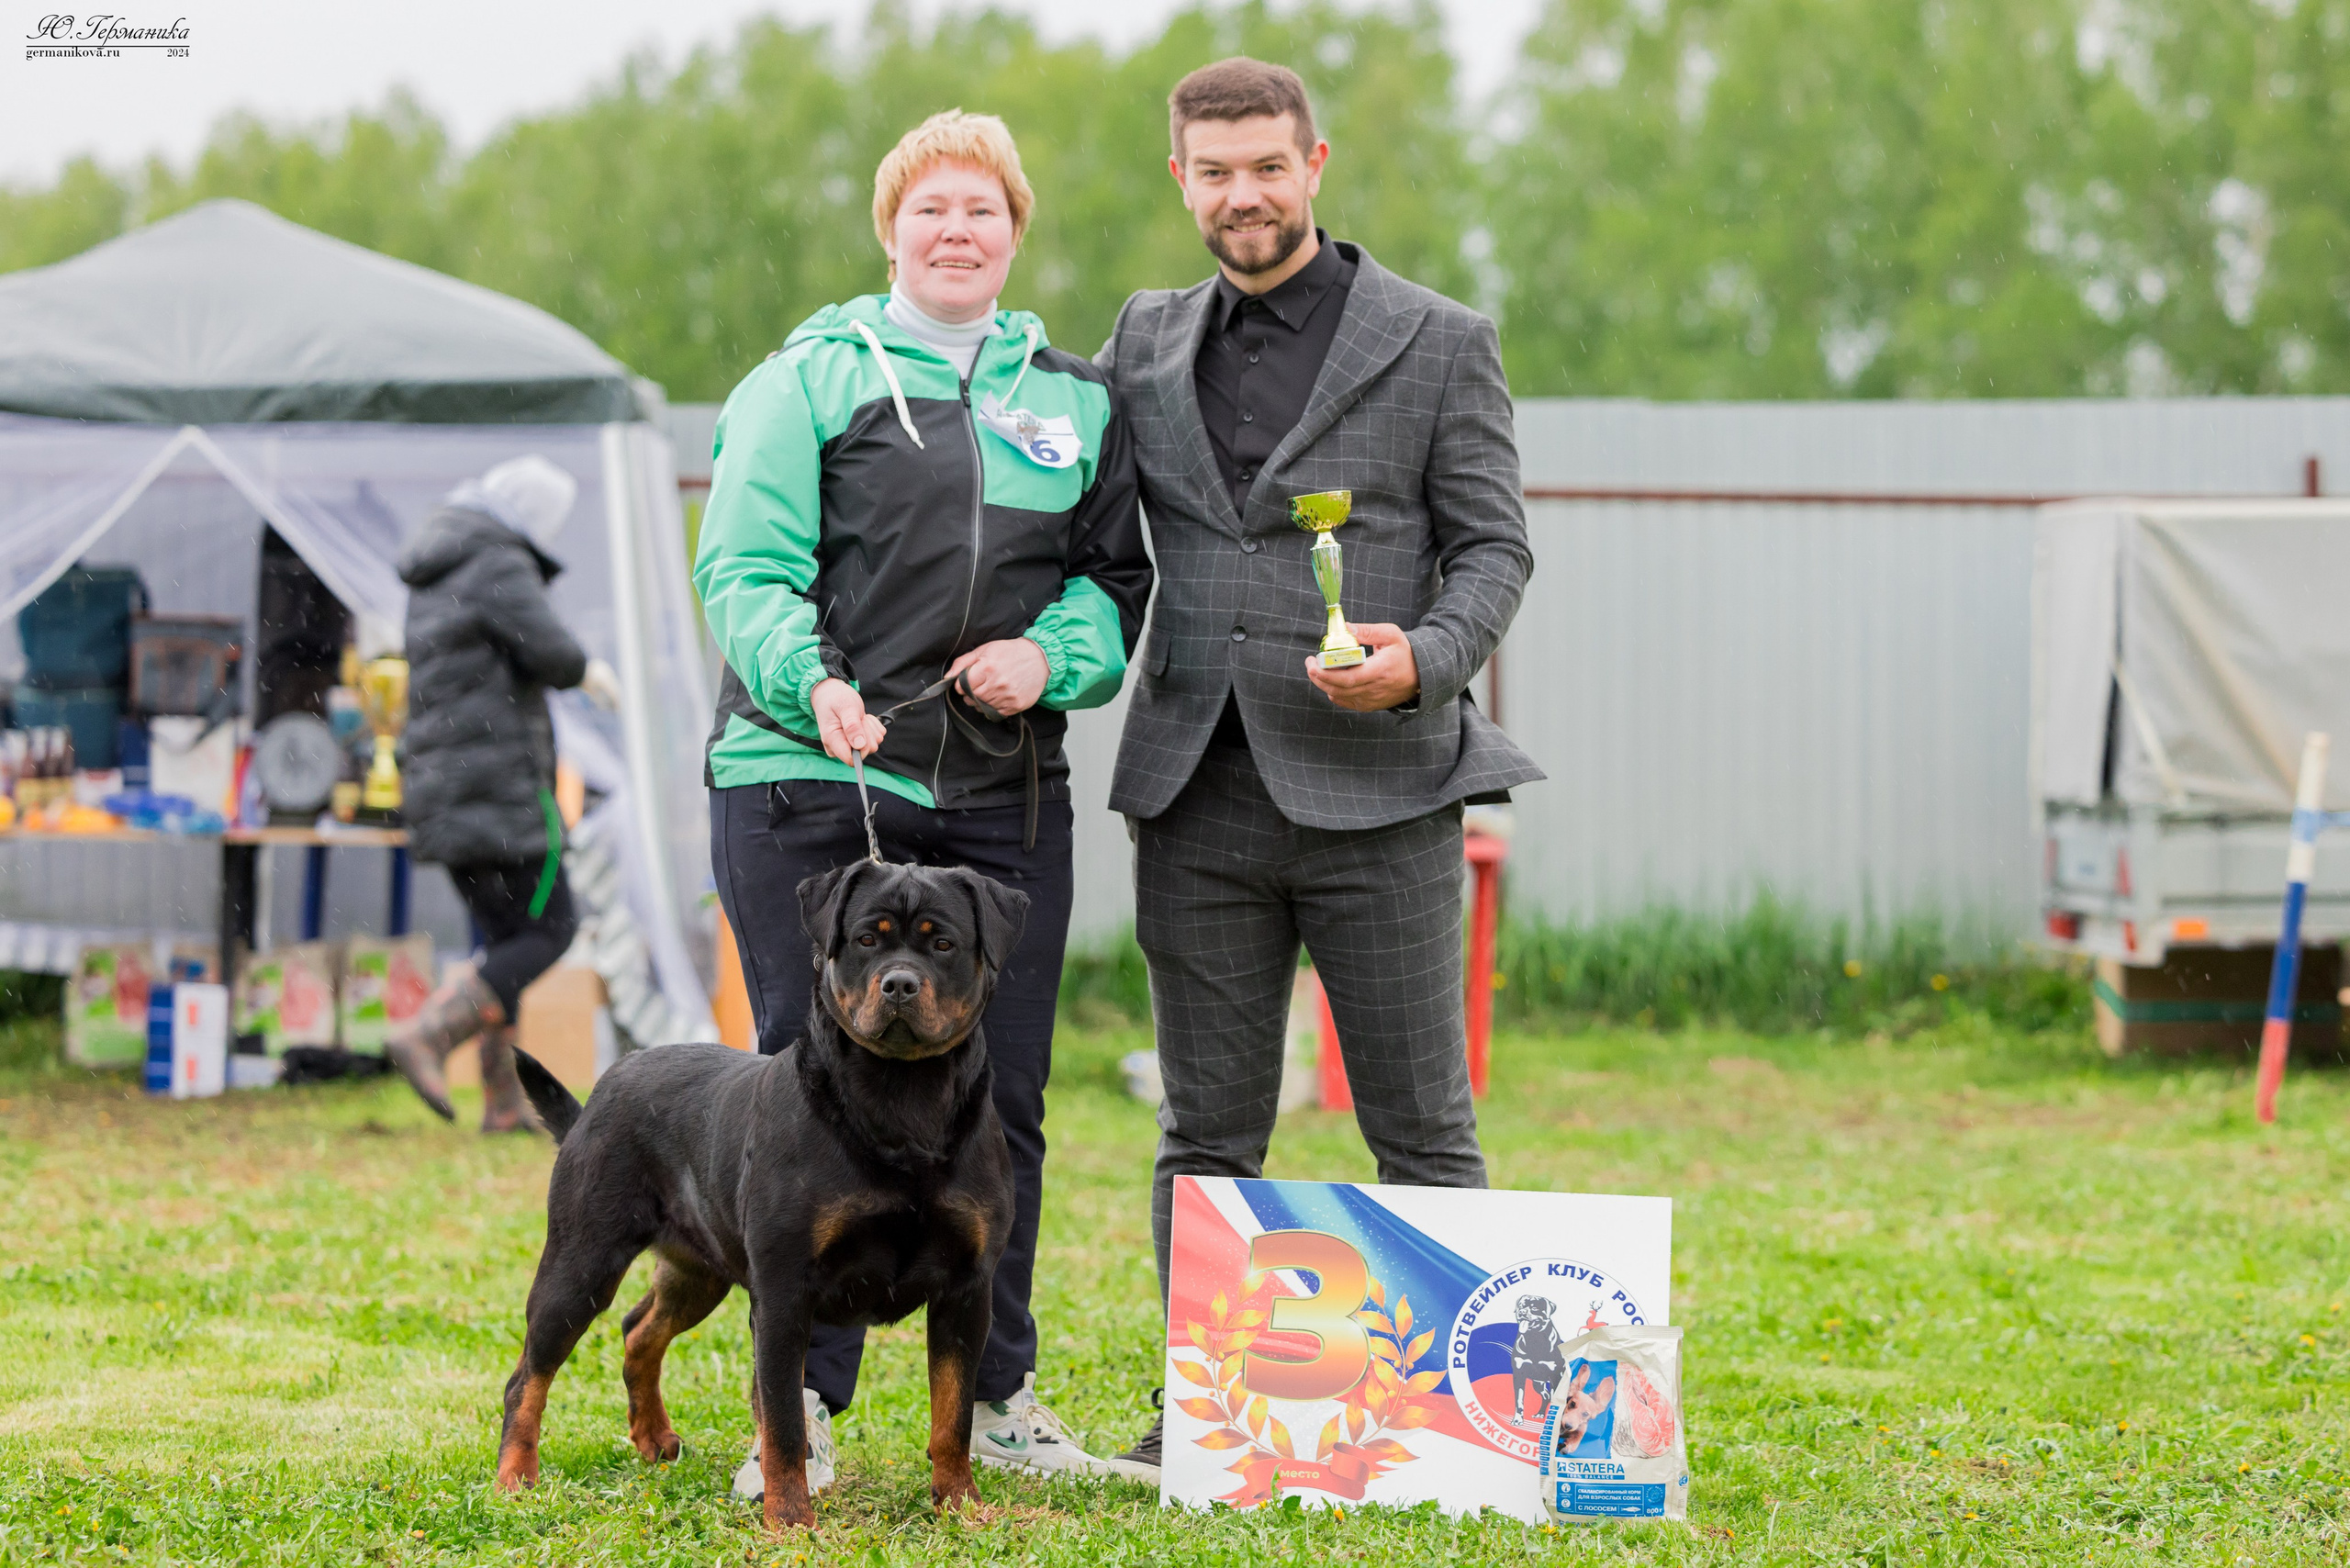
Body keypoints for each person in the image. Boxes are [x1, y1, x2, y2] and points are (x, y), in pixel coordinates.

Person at [1094, 58, 1544, 1473]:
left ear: (1316, 163)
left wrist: (1429, 652)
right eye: (1214, 172)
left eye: (1267, 167)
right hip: (1194, 794)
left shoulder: (1437, 337)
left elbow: (1495, 548)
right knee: (1207, 1134)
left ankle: (1463, 1433)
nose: (1243, 195)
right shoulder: (1143, 338)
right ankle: (1211, 1427)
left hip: (1383, 793)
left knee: (1422, 1128)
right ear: (1182, 181)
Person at [696, 109, 1152, 1493]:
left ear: (1017, 231)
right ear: (890, 231)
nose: (958, 232)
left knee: (1002, 1108)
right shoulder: (808, 381)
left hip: (1004, 801)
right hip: (810, 779)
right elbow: (744, 572)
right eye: (930, 210)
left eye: (984, 210)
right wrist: (806, 676)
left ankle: (1001, 1403)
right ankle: (806, 1416)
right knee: (806, 1103)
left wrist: (1048, 658)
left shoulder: (1073, 400)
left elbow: (1113, 582)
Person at [385, 454, 621, 1131]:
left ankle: (501, 1100)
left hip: (444, 786)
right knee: (552, 929)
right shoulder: (494, 560)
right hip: (499, 787)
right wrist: (589, 671)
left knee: (505, 938)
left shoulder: (441, 563)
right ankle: (428, 1034)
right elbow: (551, 651)